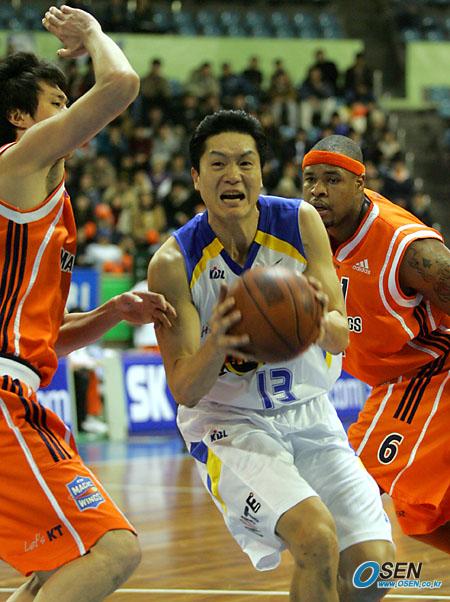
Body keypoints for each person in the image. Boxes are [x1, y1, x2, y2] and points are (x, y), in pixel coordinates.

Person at [148, 110, 394, 602]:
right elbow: (185, 389)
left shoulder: (300, 222)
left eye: (245, 162)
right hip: (229, 424)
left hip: (312, 416)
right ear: (196, 177)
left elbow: (340, 337)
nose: (233, 175)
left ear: (262, 173)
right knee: (315, 538)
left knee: (375, 573)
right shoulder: (174, 263)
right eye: (217, 164)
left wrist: (307, 317)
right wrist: (221, 340)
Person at [0, 5, 175, 601]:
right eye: (57, 103)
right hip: (3, 399)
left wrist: (111, 314)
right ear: (19, 117)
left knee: (61, 564)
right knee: (114, 549)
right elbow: (121, 84)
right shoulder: (17, 165)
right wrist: (94, 33)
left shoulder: (48, 198)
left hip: (17, 384)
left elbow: (43, 338)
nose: (71, 112)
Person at [301, 134, 450, 554]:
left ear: (360, 184)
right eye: (310, 179)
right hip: (392, 383)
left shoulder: (408, 248)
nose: (318, 190)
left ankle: (348, 580)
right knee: (422, 520)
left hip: (431, 373)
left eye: (332, 179)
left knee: (346, 487)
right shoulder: (307, 231)